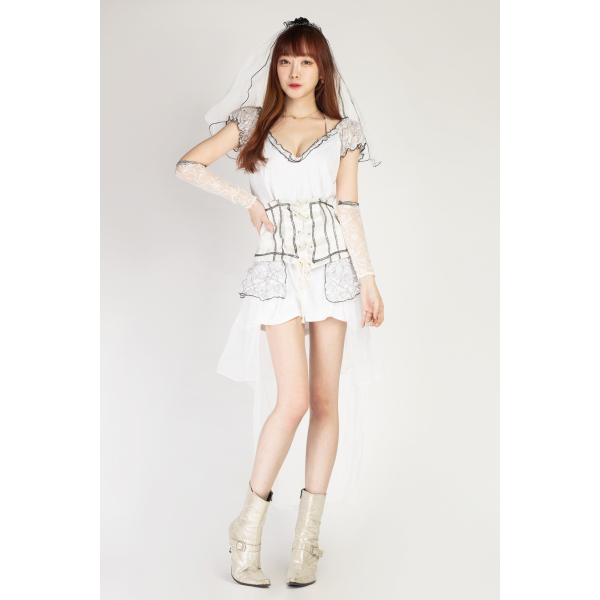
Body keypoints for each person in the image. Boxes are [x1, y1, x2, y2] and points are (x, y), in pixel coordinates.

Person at [174, 17, 384, 588]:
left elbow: (348, 208)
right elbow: (188, 165)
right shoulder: (253, 123)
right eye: (286, 60)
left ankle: (306, 541)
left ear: (322, 70)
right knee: (290, 402)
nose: (294, 71)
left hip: (334, 271)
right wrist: (244, 199)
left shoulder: (343, 132)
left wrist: (368, 280)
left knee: (324, 400)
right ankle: (246, 530)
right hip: (277, 270)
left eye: (306, 61)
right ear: (275, 68)